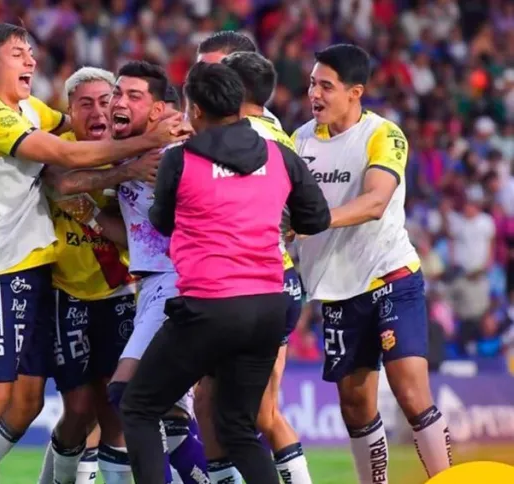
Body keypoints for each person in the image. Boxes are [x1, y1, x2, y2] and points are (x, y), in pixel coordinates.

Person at [0, 23, 186, 484]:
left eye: (31, 52)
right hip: (1, 271)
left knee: (33, 402)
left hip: (48, 275)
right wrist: (142, 150)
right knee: (0, 396)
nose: (31, 61)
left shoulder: (24, 109)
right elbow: (62, 162)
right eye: (19, 54)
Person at [120, 61, 330, 484]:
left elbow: (162, 223)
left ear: (194, 110)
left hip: (210, 307)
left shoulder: (180, 161)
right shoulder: (279, 155)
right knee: (238, 427)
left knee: (138, 406)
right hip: (268, 309)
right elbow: (317, 218)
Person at [291, 43, 452, 484]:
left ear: (355, 92)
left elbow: (376, 200)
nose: (314, 94)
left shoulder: (383, 134)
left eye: (326, 86)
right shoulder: (299, 141)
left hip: (391, 276)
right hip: (338, 291)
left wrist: (313, 222)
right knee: (355, 406)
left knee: (409, 391)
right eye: (311, 84)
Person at [186, 51, 312, 484]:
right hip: (280, 280)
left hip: (245, 283)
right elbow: (302, 216)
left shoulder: (238, 137)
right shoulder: (279, 133)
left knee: (243, 411)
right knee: (229, 406)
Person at [36, 66, 158, 484]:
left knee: (117, 410)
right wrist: (122, 175)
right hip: (66, 294)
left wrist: (92, 212)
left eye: (105, 101)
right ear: (70, 110)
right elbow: (61, 183)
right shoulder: (57, 149)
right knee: (79, 409)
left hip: (119, 293)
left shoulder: (129, 150)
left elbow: (133, 235)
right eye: (85, 103)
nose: (97, 111)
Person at [97, 61, 209, 484]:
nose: (118, 103)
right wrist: (92, 213)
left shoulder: (173, 156)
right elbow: (133, 234)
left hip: (177, 282)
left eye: (133, 96)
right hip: (153, 283)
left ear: (161, 110)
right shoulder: (131, 153)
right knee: (174, 418)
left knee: (127, 395)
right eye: (117, 94)